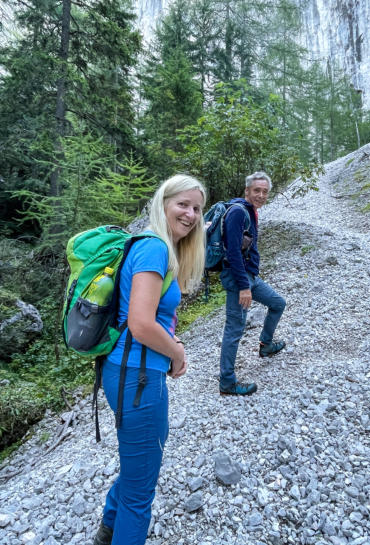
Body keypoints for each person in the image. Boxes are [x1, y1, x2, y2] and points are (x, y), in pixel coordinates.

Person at [93, 174, 206, 545]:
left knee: (137, 465)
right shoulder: (155, 248)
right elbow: (141, 324)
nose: (190, 215)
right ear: (163, 203)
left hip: (127, 372)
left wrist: (171, 342)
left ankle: (108, 530)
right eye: (183, 204)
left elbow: (146, 316)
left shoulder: (151, 246)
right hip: (138, 378)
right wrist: (176, 352)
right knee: (141, 493)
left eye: (197, 208)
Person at [219, 171, 286, 396]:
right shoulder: (238, 212)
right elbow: (233, 253)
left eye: (265, 191)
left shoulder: (249, 211)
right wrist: (244, 287)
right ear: (247, 190)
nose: (261, 195)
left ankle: (266, 345)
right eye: (257, 190)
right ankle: (227, 382)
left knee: (277, 303)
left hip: (249, 276)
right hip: (239, 279)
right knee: (234, 329)